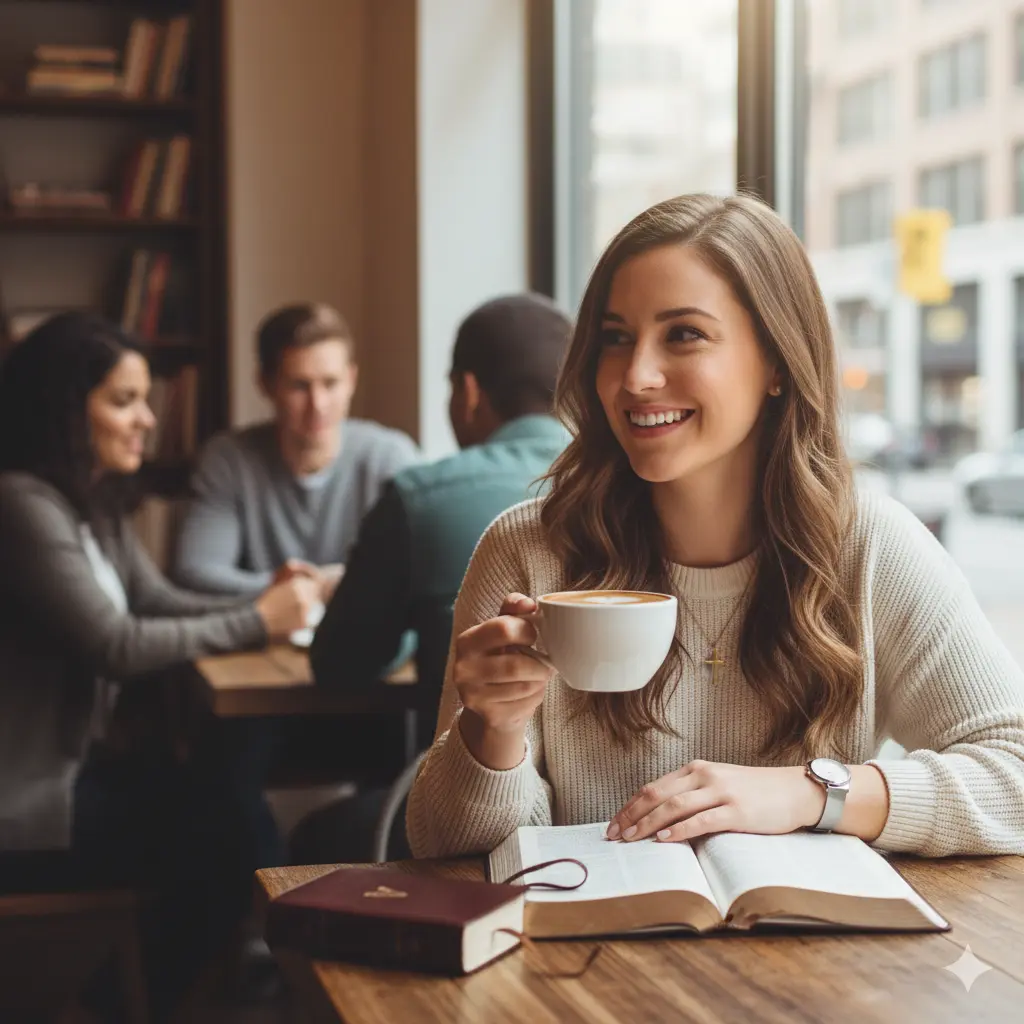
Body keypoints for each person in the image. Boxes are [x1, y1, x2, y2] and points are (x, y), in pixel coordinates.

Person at [406, 193, 1024, 860]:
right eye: (616, 338)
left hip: (819, 958)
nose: (636, 377)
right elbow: (446, 851)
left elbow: (1013, 778)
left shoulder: (869, 545)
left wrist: (809, 794)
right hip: (583, 955)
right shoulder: (527, 550)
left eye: (684, 334)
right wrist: (492, 732)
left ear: (778, 364)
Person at [0, 313, 319, 1012]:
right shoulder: (22, 506)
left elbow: (157, 599)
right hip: (27, 806)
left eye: (145, 399)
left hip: (81, 774)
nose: (146, 419)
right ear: (61, 408)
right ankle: (118, 1003)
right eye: (123, 401)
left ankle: (230, 982)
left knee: (233, 804)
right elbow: (114, 643)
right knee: (230, 842)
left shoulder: (91, 505)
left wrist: (262, 596)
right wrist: (259, 620)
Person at [302, 295, 571, 862]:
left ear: (468, 391)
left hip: (457, 814)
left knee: (312, 837)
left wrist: (409, 624)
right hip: (596, 836)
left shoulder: (419, 499)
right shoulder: (629, 494)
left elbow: (339, 666)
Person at [174, 302, 419, 601]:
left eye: (331, 383)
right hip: (261, 641)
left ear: (352, 380)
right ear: (266, 384)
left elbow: (422, 567)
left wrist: (325, 588)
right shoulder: (228, 461)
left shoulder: (390, 457)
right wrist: (301, 589)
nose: (318, 405)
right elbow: (197, 571)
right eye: (299, 386)